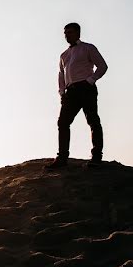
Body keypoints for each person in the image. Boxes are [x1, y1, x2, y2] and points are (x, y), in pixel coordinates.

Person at [45, 22, 108, 169]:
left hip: (86, 88)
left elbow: (103, 66)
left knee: (92, 120)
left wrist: (90, 80)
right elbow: (61, 74)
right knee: (63, 122)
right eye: (65, 33)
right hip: (70, 91)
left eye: (70, 32)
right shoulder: (64, 55)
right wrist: (62, 92)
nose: (67, 35)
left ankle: (96, 157)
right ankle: (62, 158)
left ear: (78, 33)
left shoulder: (88, 48)